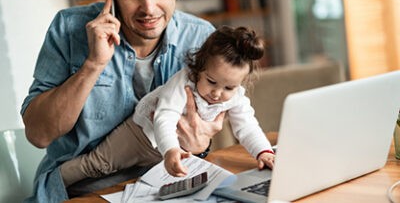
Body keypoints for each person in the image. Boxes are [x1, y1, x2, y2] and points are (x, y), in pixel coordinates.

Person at [20, 0, 224, 202]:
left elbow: (206, 129)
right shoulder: (68, 29)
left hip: (168, 185)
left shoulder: (201, 37)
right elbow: (38, 135)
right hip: (84, 190)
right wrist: (93, 64)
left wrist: (200, 147)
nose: (149, 8)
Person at [60, 26, 275, 187]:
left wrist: (263, 152)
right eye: (211, 81)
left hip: (168, 151)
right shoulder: (184, 81)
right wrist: (171, 150)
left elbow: (247, 126)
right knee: (98, 165)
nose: (218, 93)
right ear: (199, 68)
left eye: (229, 87)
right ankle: (56, 181)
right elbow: (164, 117)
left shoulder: (235, 96)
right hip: (141, 134)